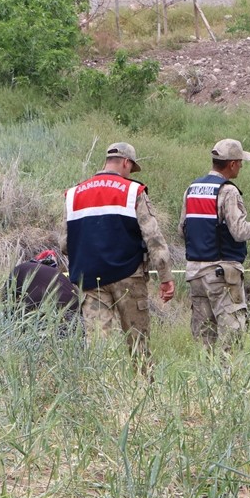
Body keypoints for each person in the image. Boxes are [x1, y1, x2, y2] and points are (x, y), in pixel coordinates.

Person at [64, 142, 175, 368]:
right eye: (130, 168)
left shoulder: (74, 194)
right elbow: (153, 238)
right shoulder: (133, 191)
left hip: (90, 280)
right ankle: (145, 392)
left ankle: (98, 395)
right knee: (138, 344)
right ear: (126, 162)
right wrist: (166, 277)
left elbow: (65, 243)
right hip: (128, 277)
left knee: (96, 346)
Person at [180, 138, 250, 349]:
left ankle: (204, 380)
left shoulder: (192, 189)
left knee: (204, 340)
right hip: (221, 273)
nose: (241, 166)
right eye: (240, 161)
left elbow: (182, 230)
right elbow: (240, 232)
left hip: (195, 273)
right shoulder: (228, 192)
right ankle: (227, 380)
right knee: (231, 338)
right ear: (232, 164)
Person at [5, 249, 81, 330]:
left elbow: (6, 301)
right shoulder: (56, 272)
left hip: (48, 308)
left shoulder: (20, 269)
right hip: (76, 307)